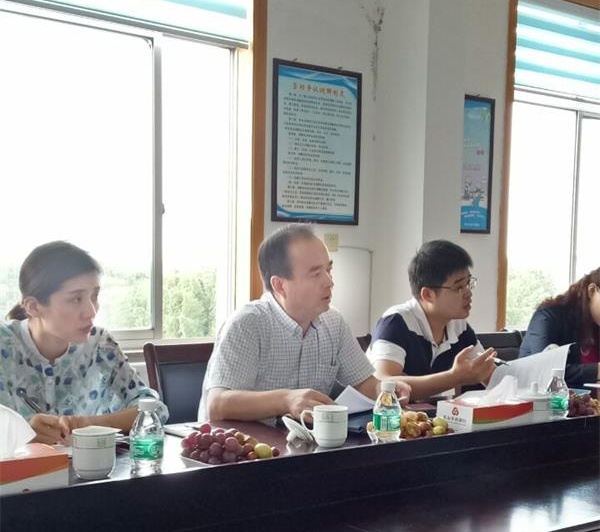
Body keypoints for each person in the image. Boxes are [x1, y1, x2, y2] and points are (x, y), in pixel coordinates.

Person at [199, 224, 411, 422]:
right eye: (316, 274)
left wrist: (385, 390)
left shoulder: (333, 322)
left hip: (308, 443)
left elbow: (364, 383)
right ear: (280, 285)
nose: (330, 282)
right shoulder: (247, 324)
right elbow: (218, 405)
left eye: (329, 270)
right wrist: (285, 400)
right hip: (248, 446)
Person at [0, 241, 168, 445]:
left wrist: (87, 424)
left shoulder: (101, 345)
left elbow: (155, 410)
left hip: (91, 465)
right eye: (76, 299)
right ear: (33, 306)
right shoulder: (4, 344)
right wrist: (22, 431)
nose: (91, 311)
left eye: (94, 296)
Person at [367, 240, 497, 400]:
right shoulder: (396, 322)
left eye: (468, 283)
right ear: (428, 295)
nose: (468, 293)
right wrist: (453, 377)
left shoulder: (458, 325)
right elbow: (383, 382)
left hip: (435, 414)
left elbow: (488, 374)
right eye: (458, 287)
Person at [520, 267, 600, 387]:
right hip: (537, 397)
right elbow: (543, 369)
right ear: (592, 291)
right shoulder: (548, 316)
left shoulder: (595, 324)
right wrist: (597, 371)